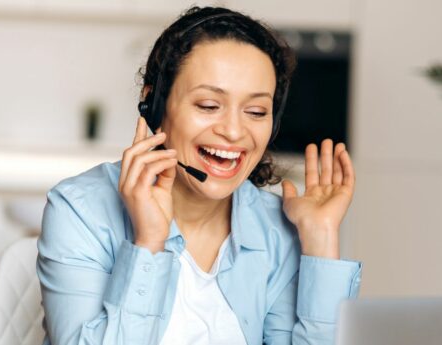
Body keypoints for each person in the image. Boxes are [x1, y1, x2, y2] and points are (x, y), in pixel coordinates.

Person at [36, 6, 362, 345]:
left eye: (256, 111)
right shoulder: (80, 209)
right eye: (208, 106)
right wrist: (149, 242)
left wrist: (320, 240)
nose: (235, 132)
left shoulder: (277, 231)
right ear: (154, 105)